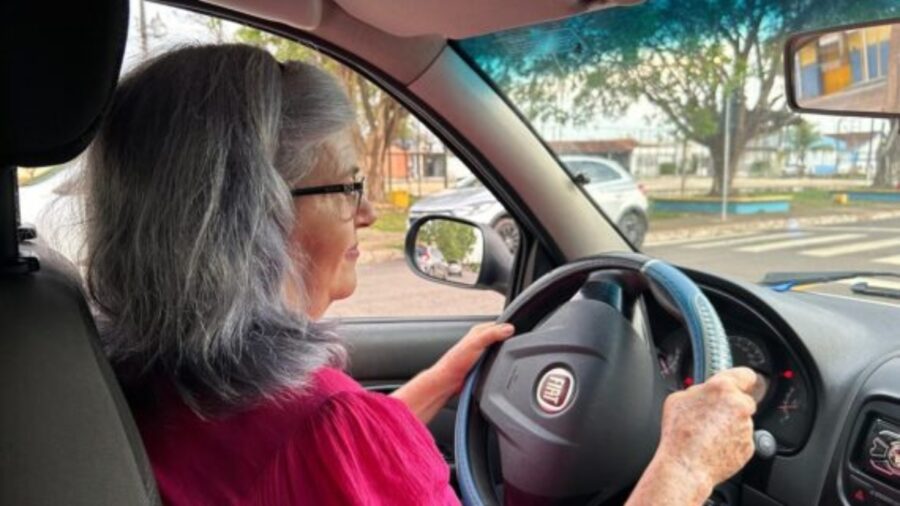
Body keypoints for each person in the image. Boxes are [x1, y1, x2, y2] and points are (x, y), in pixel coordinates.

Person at [82, 44, 757, 506]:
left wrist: (440, 381)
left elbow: (299, 469)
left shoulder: (144, 380)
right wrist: (684, 467)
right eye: (347, 186)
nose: (369, 213)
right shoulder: (328, 427)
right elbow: (323, 452)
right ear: (253, 217)